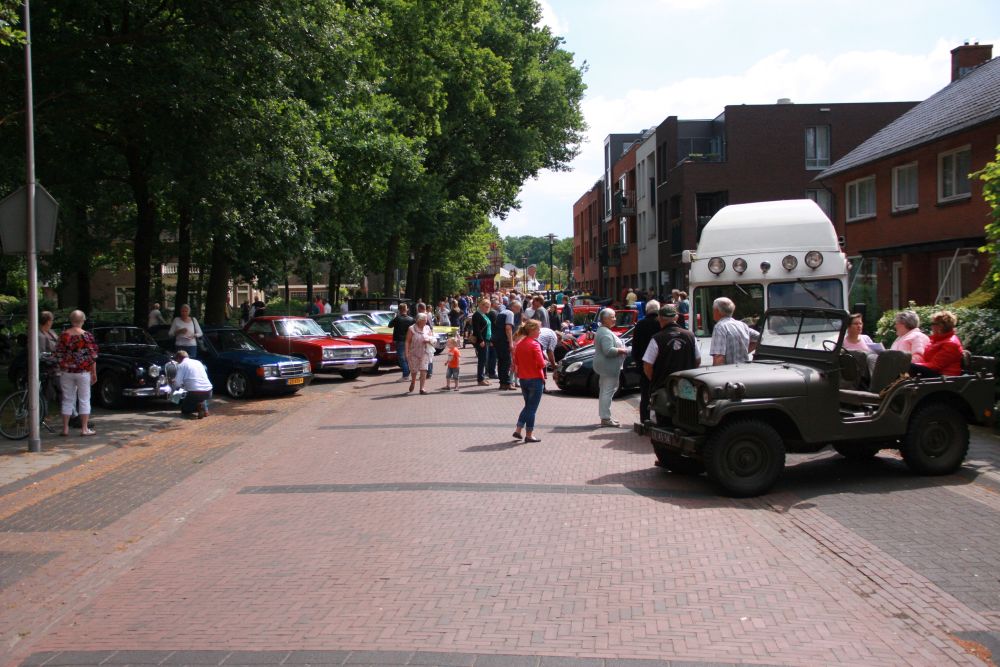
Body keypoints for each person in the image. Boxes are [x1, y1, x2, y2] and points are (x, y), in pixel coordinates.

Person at [642, 305, 699, 425]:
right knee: (687, 420)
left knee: (662, 423)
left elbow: (647, 365)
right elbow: (698, 360)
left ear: (660, 319)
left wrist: (655, 379)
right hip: (686, 385)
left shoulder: (657, 338)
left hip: (663, 387)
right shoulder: (690, 336)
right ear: (676, 318)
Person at [55, 309, 98, 437]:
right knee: (84, 399)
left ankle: (65, 429)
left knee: (67, 399)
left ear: (71, 321)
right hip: (83, 372)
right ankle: (84, 429)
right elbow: (92, 356)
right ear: (82, 321)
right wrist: (93, 373)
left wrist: (62, 366)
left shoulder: (64, 335)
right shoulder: (87, 336)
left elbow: (58, 354)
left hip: (67, 372)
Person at [593, 308, 629, 428]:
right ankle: (605, 418)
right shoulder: (605, 332)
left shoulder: (603, 330)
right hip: (608, 367)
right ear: (605, 319)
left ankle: (605, 416)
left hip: (606, 367)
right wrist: (623, 350)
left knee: (605, 391)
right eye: (612, 317)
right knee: (607, 392)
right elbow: (608, 351)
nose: (615, 319)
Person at [511, 319, 546, 443]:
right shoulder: (535, 344)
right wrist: (545, 362)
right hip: (535, 379)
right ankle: (529, 434)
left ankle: (518, 429)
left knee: (528, 407)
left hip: (523, 379)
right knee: (531, 409)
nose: (539, 332)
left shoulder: (520, 344)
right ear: (532, 330)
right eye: (538, 329)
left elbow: (516, 363)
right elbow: (541, 363)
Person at [630, 300, 661, 424]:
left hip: (644, 365)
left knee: (645, 395)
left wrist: (637, 362)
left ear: (647, 310)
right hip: (660, 365)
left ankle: (644, 419)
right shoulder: (660, 323)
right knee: (660, 393)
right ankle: (660, 419)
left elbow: (635, 346)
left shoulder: (640, 324)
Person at [910, 310, 964, 377]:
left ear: (940, 326)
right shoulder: (936, 340)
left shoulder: (951, 343)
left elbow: (936, 365)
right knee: (904, 367)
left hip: (945, 377)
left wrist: (914, 365)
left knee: (908, 367)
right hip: (935, 373)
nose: (931, 326)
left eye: (933, 324)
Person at [709, 297, 758, 365]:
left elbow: (718, 357)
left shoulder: (720, 327)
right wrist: (744, 351)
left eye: (713, 309)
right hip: (743, 370)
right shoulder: (742, 325)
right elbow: (760, 338)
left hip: (727, 372)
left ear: (717, 311)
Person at [170, 350, 213, 418]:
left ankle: (176, 402)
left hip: (195, 393)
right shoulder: (198, 362)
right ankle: (204, 408)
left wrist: (173, 383)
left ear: (178, 358)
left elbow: (177, 383)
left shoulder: (181, 365)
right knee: (201, 396)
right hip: (209, 391)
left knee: (185, 410)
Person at [405, 312, 434, 394]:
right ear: (418, 320)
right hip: (413, 352)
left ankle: (422, 388)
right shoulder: (411, 328)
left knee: (424, 369)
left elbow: (432, 338)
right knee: (414, 370)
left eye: (426, 320)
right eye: (424, 320)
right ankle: (413, 382)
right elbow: (407, 341)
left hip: (425, 351)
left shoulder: (427, 328)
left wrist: (429, 340)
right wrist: (406, 352)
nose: (426, 321)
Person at [388, 304, 414, 382]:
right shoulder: (411, 319)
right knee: (407, 357)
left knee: (401, 358)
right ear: (407, 309)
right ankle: (408, 372)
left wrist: (394, 317)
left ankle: (406, 375)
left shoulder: (397, 318)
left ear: (399, 310)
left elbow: (389, 325)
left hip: (400, 340)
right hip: (409, 340)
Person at [471, 298, 493, 385]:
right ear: (481, 306)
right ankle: (480, 379)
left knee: (484, 359)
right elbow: (476, 329)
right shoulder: (477, 315)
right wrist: (481, 340)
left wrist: (490, 339)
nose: (488, 308)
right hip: (481, 340)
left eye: (489, 307)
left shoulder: (484, 315)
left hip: (486, 339)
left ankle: (482, 377)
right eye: (486, 306)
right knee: (482, 360)